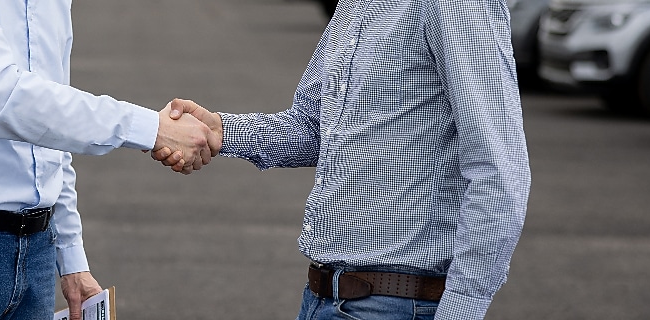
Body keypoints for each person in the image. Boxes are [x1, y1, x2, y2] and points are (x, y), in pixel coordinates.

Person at [154, 0, 531, 319]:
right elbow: (312, 126)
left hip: (398, 304)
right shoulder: (354, 5)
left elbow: (499, 170)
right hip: (322, 298)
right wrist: (222, 131)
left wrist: (462, 309)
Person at [0, 0, 219, 319]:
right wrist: (152, 128)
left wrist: (71, 258)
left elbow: (49, 129)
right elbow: (0, 99)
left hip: (37, 250)